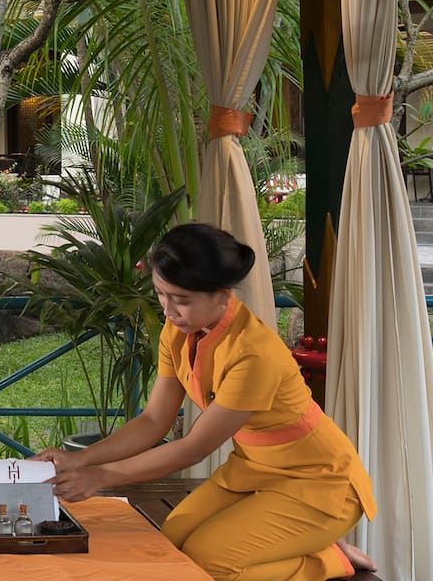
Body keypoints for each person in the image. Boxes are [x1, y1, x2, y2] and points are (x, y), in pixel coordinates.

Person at [33, 223, 377, 581]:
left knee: (209, 563)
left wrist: (101, 476)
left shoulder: (254, 353)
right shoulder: (177, 331)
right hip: (253, 471)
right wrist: (79, 458)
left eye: (181, 300)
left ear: (222, 294)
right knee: (170, 544)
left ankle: (328, 559)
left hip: (319, 483)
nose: (168, 310)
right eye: (160, 294)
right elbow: (154, 420)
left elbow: (193, 448)